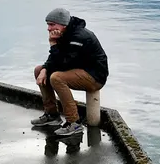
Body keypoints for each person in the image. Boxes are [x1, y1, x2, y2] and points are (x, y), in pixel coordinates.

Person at [31, 8, 109, 136]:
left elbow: (65, 63)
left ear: (62, 24)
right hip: (79, 70)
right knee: (39, 70)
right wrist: (45, 69)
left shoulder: (78, 37)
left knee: (56, 77)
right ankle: (52, 115)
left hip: (95, 76)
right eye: (48, 25)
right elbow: (56, 59)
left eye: (51, 25)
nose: (48, 29)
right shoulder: (64, 33)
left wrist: (53, 44)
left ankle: (74, 123)